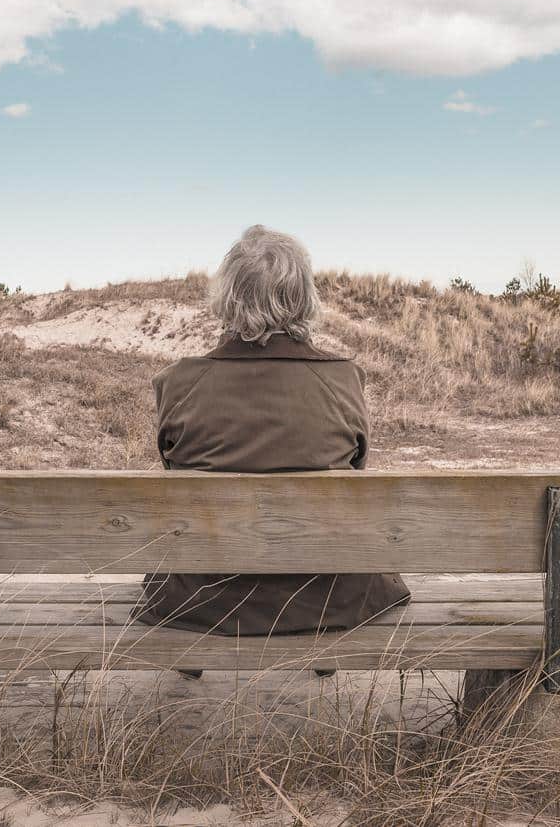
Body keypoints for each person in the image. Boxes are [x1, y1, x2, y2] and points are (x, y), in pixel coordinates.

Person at [133, 225, 411, 636]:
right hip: (329, 597)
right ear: (303, 298)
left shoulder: (178, 383)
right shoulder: (343, 381)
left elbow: (174, 470)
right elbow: (357, 472)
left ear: (228, 298)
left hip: (205, 600)